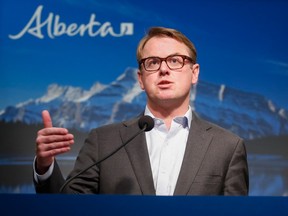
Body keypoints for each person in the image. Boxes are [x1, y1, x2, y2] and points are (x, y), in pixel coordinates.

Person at [33, 26, 249, 195]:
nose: (164, 69)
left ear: (194, 73)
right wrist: (45, 167)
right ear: (140, 79)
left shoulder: (228, 147)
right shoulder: (103, 142)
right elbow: (67, 207)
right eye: (153, 62)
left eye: (175, 60)